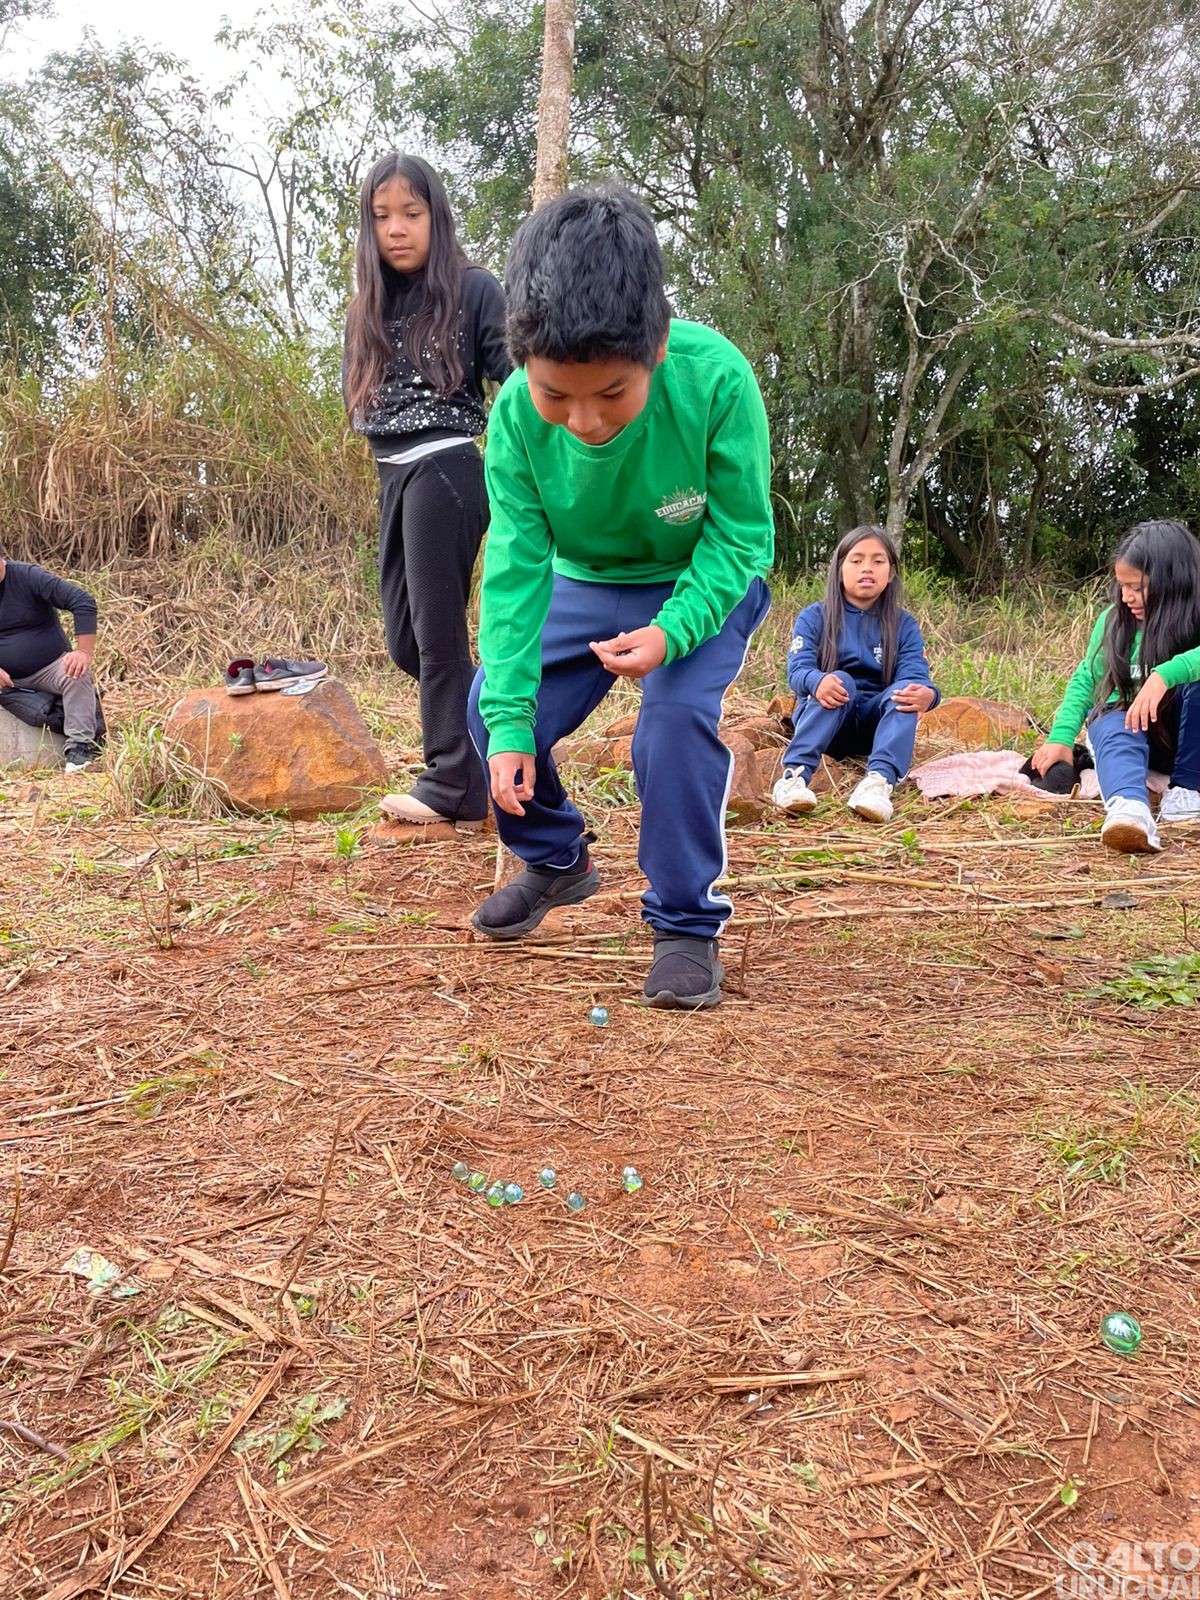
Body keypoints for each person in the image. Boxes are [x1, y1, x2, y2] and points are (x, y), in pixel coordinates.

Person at [465, 185, 774, 1011]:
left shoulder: (716, 381)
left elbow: (743, 538)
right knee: (491, 707)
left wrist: (673, 632)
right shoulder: (513, 421)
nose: (585, 422)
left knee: (670, 724)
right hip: (585, 583)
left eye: (611, 395)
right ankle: (558, 857)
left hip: (698, 581)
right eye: (555, 396)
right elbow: (518, 567)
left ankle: (683, 923)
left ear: (659, 346)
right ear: (522, 364)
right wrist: (506, 723)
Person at [343, 153, 511, 827]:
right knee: (406, 644)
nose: (397, 229)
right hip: (393, 472)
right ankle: (499, 738)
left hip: (447, 463)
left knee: (438, 638)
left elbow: (516, 379)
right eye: (382, 216)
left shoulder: (473, 289)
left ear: (435, 217)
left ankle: (451, 782)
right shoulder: (366, 306)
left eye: (411, 213)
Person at [1031, 519, 1200, 853]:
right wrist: (1061, 737)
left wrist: (1166, 674)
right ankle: (1129, 808)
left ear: (1174, 582)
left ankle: (1187, 792)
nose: (1126, 597)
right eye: (1122, 586)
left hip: (1187, 742)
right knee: (1110, 718)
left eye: (1137, 587)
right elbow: (1086, 679)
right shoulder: (1113, 620)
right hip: (1136, 733)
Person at [772, 526, 939, 823]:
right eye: (856, 560)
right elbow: (798, 671)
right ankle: (793, 777)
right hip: (828, 724)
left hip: (877, 732)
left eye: (878, 561)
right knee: (840, 680)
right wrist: (817, 681)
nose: (867, 568)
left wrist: (929, 695)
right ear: (839, 570)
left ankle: (878, 784)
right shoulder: (815, 616)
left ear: (891, 574)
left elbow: (916, 674)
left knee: (905, 689)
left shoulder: (903, 624)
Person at [0, 544, 102, 772]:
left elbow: (82, 601)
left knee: (76, 674)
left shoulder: (28, 576)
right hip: (4, 678)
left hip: (49, 667)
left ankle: (79, 750)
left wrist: (83, 652)